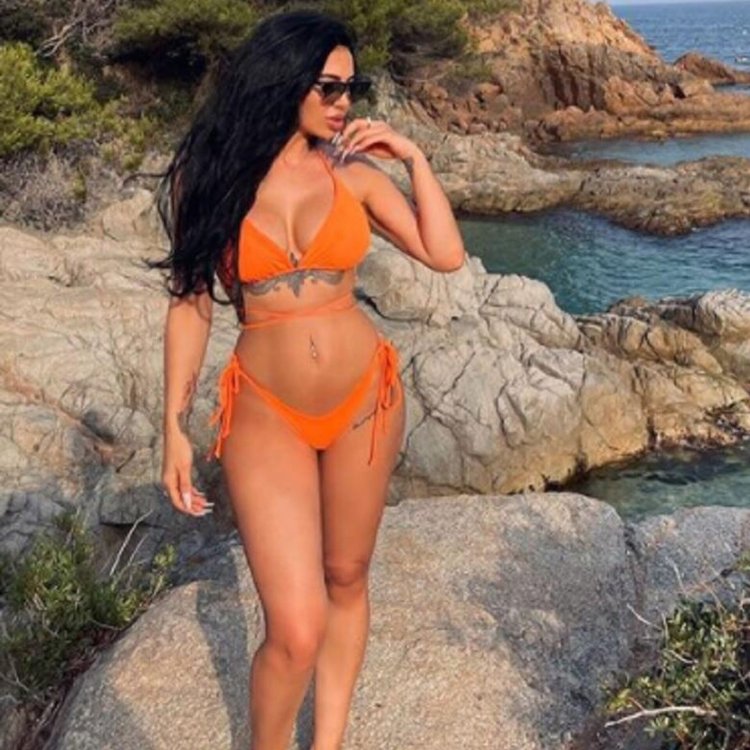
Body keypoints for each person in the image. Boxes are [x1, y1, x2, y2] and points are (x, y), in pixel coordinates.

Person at [151, 9, 464, 750]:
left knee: (346, 576)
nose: (343, 102)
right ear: (283, 79)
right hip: (266, 410)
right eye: (328, 87)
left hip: (365, 402)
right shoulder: (212, 178)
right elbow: (191, 303)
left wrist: (414, 158)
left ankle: (327, 742)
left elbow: (444, 253)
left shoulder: (353, 175)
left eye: (352, 88)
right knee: (294, 627)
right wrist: (173, 426)